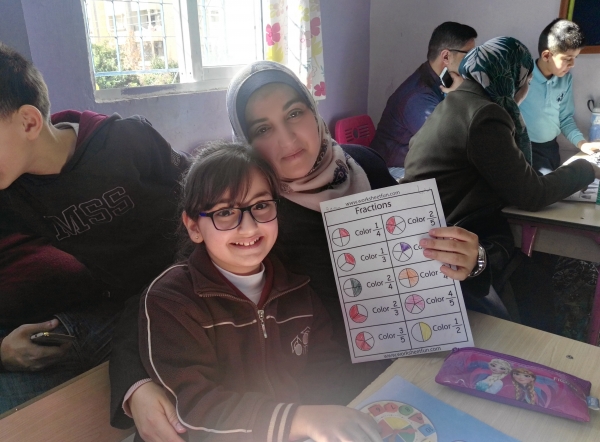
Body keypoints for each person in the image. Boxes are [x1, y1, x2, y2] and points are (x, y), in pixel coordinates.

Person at [110, 61, 481, 441]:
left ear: (313, 111)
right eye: (263, 128)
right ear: (246, 141)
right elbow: (162, 295)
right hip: (318, 399)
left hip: (406, 360)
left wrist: (472, 260)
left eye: (294, 113)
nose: (287, 139)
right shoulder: (248, 211)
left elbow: (421, 256)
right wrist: (136, 385)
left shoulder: (364, 165)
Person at [139, 140, 384, 442]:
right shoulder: (172, 301)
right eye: (225, 212)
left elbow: (327, 370)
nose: (249, 227)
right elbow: (196, 409)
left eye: (260, 206)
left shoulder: (297, 288)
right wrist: (300, 419)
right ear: (194, 227)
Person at [0, 43, 189, 412]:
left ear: (29, 122)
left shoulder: (125, 141)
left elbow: (202, 195)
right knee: (47, 344)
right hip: (123, 307)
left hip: (189, 286)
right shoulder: (12, 195)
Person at [402, 37, 600, 328]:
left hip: (431, 233)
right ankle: (537, 338)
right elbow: (532, 194)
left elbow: (511, 178)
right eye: (527, 81)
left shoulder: (455, 103)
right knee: (537, 274)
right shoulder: (486, 115)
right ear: (513, 80)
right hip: (456, 248)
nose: (526, 90)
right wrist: (587, 169)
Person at [370, 22, 477, 179]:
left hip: (414, 163)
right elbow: (448, 144)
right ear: (446, 56)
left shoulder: (440, 80)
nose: (473, 63)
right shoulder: (418, 97)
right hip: (390, 171)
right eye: (469, 55)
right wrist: (460, 96)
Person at [520, 19, 600, 175]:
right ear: (546, 55)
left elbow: (565, 118)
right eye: (567, 59)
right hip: (523, 148)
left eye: (575, 58)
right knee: (538, 186)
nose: (572, 64)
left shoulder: (565, 80)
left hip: (550, 148)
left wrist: (582, 144)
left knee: (555, 183)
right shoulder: (522, 77)